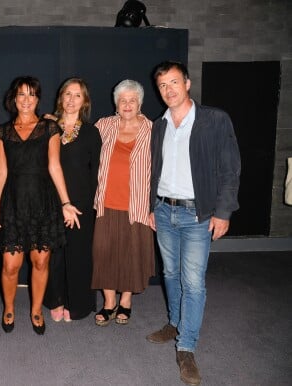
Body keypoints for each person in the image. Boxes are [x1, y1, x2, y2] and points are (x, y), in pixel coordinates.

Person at [147, 61, 240, 386]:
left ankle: (185, 347)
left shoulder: (214, 120)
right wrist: (150, 206)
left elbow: (230, 169)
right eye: (162, 85)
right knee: (169, 274)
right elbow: (154, 171)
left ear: (187, 83)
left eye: (174, 82)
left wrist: (223, 211)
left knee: (193, 282)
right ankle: (174, 322)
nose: (169, 90)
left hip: (197, 214)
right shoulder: (160, 125)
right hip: (163, 210)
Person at [0, 76, 81, 335]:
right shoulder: (1, 133)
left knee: (40, 263)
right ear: (13, 99)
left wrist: (66, 202)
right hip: (13, 205)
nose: (26, 100)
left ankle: (36, 310)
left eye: (31, 95)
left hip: (43, 204)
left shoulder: (50, 129)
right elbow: (1, 172)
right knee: (10, 266)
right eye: (21, 95)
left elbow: (54, 166)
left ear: (38, 99)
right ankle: (9, 308)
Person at [91, 79, 154, 327]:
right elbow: (79, 139)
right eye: (122, 100)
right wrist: (59, 122)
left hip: (136, 205)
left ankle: (125, 301)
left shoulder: (153, 129)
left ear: (139, 103)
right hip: (105, 203)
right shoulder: (104, 125)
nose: (127, 104)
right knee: (103, 253)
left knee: (130, 254)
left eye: (132, 100)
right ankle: (108, 302)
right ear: (116, 103)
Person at [43, 78, 101, 322]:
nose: (71, 99)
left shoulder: (90, 132)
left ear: (84, 101)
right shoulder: (47, 127)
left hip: (81, 203)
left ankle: (77, 303)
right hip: (50, 200)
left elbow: (96, 171)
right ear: (61, 97)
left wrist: (90, 205)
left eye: (77, 95)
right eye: (68, 94)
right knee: (53, 255)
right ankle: (55, 299)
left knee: (78, 255)